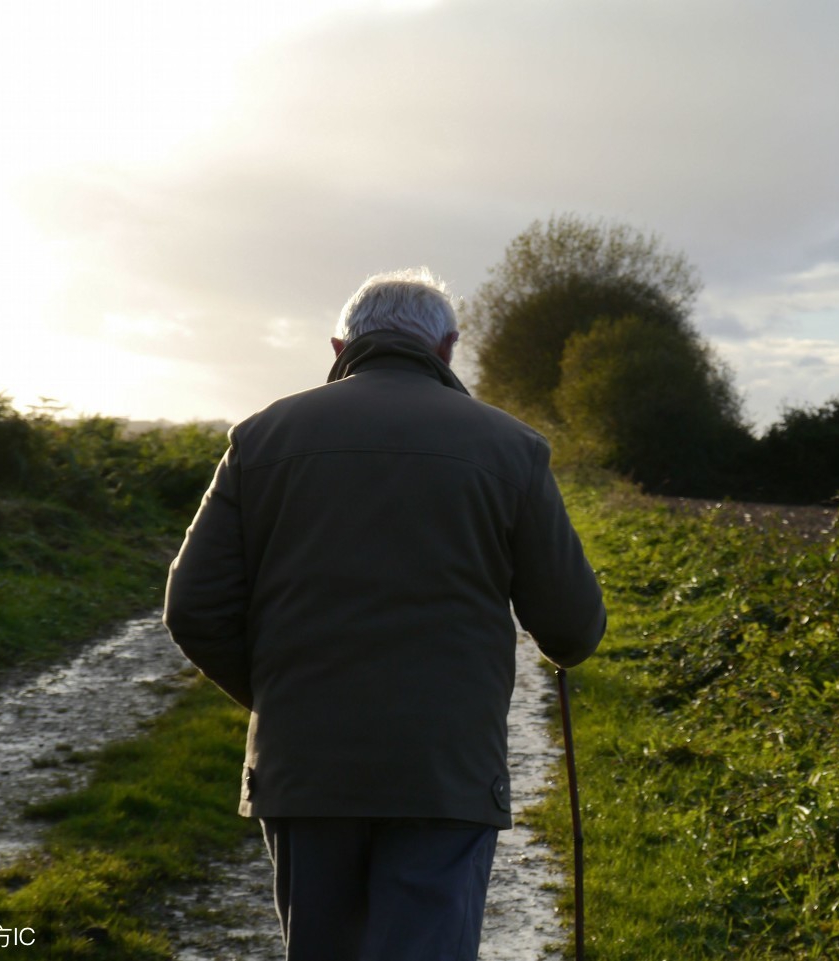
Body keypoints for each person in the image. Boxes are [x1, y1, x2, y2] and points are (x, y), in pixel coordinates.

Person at [163, 267, 606, 960]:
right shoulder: (512, 449)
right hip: (445, 767)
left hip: (306, 762)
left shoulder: (260, 437)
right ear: (448, 348)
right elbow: (573, 630)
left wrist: (281, 693)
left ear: (340, 347)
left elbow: (192, 607)